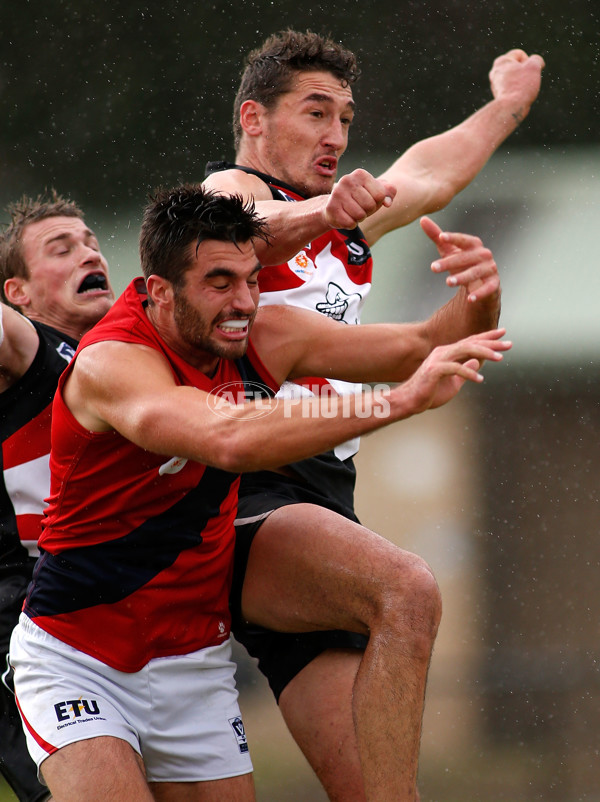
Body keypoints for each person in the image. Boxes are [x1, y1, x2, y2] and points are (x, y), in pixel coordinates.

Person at [9, 184, 510, 802]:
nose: (244, 301)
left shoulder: (262, 331)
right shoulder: (112, 362)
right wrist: (399, 401)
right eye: (220, 282)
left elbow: (419, 347)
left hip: (193, 662)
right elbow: (228, 440)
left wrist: (480, 297)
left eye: (251, 278)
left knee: (410, 588)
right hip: (79, 658)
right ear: (160, 291)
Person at [203, 29, 545, 800]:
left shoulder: (343, 226)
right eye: (316, 113)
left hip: (326, 498)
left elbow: (430, 171)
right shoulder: (234, 193)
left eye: (347, 120)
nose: (336, 136)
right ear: (253, 118)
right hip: (248, 492)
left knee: (372, 786)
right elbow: (229, 235)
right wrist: (326, 208)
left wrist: (504, 109)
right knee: (409, 589)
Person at [0, 192, 115, 802]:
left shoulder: (129, 350)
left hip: (126, 618)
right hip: (26, 618)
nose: (88, 252)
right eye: (61, 248)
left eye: (91, 241)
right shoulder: (28, 346)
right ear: (17, 292)